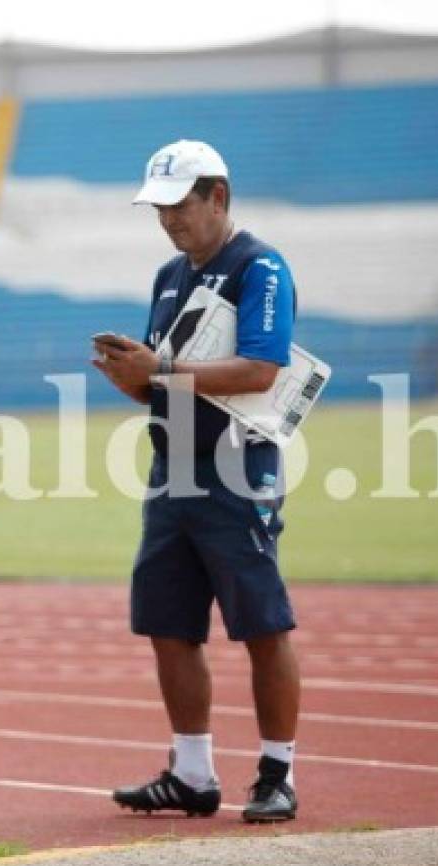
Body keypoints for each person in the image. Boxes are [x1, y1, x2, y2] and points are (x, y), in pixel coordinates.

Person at [92, 139, 301, 823]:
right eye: (158, 208)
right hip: (171, 468)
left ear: (218, 196)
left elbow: (259, 371)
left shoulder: (259, 268)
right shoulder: (168, 275)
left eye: (179, 205)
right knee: (167, 623)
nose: (168, 220)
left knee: (260, 624)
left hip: (237, 469)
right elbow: (170, 383)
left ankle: (277, 773)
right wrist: (136, 380)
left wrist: (156, 372)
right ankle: (191, 772)